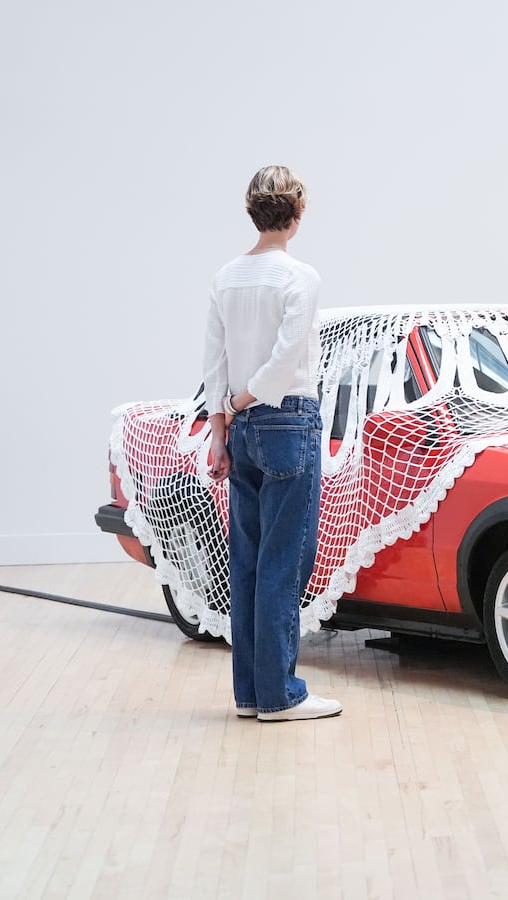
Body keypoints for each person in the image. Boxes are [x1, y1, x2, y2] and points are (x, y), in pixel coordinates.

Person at [204, 166, 341, 722]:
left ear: (252, 211)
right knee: (285, 561)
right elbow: (286, 358)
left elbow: (213, 360)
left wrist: (221, 426)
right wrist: (245, 404)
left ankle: (251, 695)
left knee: (250, 562)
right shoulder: (300, 277)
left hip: (241, 429)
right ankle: (281, 695)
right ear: (298, 213)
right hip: (285, 420)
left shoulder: (226, 278)